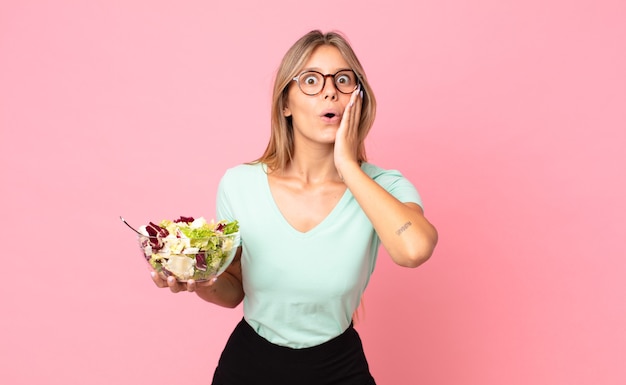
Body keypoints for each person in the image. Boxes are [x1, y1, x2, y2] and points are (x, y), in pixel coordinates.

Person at [151, 29, 438, 385]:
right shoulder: (240, 184)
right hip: (250, 365)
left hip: (338, 366)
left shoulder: (384, 186)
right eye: (312, 80)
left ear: (357, 100)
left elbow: (414, 250)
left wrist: (348, 166)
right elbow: (235, 290)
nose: (330, 90)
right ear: (285, 103)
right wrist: (199, 280)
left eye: (344, 80)